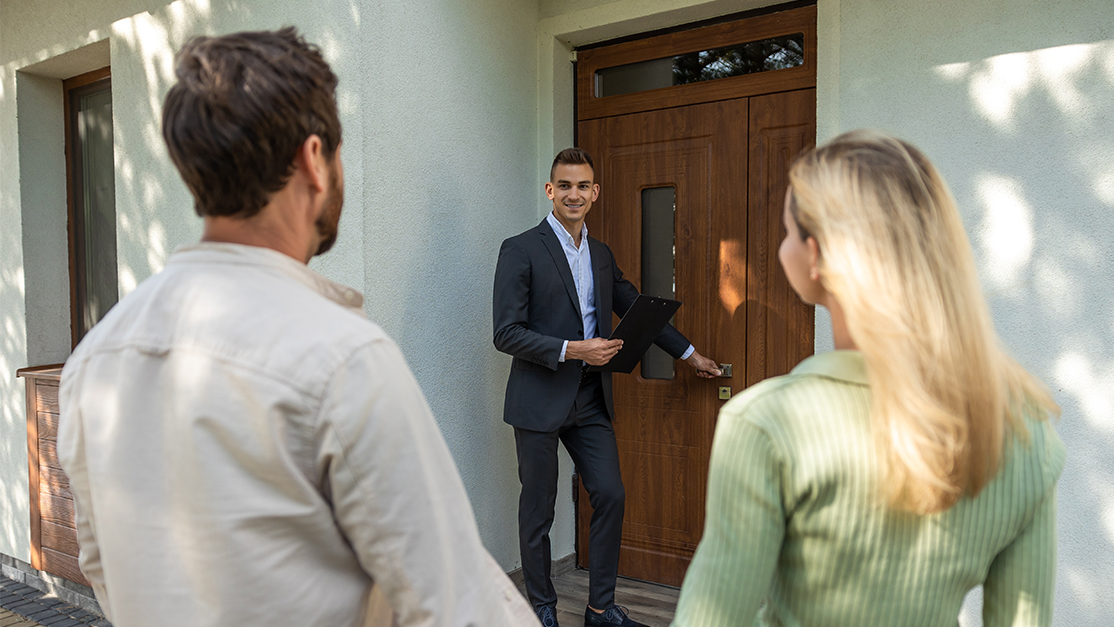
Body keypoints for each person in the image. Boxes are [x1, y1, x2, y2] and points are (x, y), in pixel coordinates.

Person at [57, 28, 537, 627]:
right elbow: (457, 606)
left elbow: (104, 570)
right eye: (338, 150)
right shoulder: (344, 356)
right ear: (315, 160)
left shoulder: (94, 358)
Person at [671, 130, 1064, 627]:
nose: (781, 246)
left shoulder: (766, 424)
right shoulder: (1026, 428)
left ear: (816, 257)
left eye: (787, 231)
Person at [493, 148, 721, 627]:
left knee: (611, 494)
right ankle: (541, 607)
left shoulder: (600, 254)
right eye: (565, 186)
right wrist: (574, 349)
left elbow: (637, 307)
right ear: (551, 190)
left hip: (591, 399)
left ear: (594, 194)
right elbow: (506, 333)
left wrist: (689, 354)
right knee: (538, 511)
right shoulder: (521, 248)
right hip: (538, 400)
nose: (574, 195)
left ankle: (600, 608)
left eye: (583, 187)